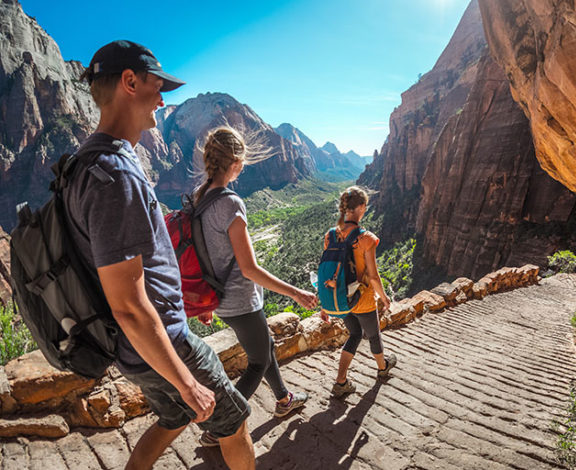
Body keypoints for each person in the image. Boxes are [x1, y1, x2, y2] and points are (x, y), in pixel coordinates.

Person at [69, 40, 253, 470]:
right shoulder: (115, 174)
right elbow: (129, 304)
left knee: (172, 418)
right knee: (234, 421)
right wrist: (187, 381)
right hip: (164, 343)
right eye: (158, 85)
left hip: (132, 348)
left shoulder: (83, 162)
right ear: (130, 82)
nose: (163, 97)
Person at [192, 127, 318, 446]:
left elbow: (201, 252)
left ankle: (283, 399)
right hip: (241, 301)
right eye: (242, 160)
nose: (244, 166)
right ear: (234, 160)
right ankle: (220, 427)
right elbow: (249, 269)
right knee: (258, 361)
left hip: (219, 299)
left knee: (266, 347)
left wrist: (205, 304)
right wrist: (296, 293)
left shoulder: (200, 196)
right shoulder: (230, 202)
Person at [320, 187, 397, 397]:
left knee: (354, 333)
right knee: (373, 335)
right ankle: (383, 368)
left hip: (341, 299)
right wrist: (384, 297)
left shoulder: (330, 235)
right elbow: (373, 276)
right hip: (361, 299)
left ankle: (341, 381)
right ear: (361, 207)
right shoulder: (367, 239)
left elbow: (328, 269)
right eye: (365, 205)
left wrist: (324, 303)